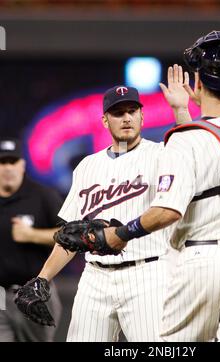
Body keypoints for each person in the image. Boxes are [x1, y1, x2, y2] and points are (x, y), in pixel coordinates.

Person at [104, 30, 220, 342]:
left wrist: (121, 233)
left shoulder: (183, 140)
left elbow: (168, 211)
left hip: (203, 260)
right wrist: (185, 112)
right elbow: (217, 143)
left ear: (198, 82)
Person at [17, 71, 190, 342]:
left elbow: (190, 150)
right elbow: (70, 235)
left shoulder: (162, 154)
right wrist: (42, 278)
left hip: (148, 274)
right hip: (95, 275)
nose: (126, 118)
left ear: (142, 117)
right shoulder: (87, 166)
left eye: (132, 111)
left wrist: (181, 110)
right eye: (118, 112)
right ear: (105, 120)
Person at [0, 137, 63, 342]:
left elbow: (71, 237)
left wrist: (32, 235)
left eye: (13, 161)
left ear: (23, 164)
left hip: (34, 293)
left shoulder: (43, 195)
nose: (8, 168)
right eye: (3, 162)